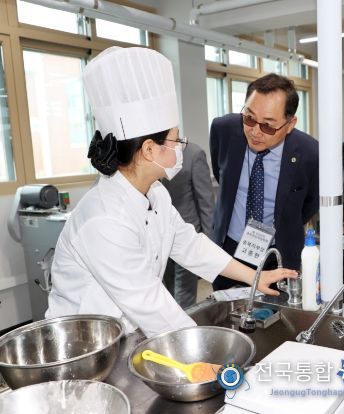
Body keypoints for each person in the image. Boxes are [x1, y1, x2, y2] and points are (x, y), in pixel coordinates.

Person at [46, 47, 295, 338]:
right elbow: (150, 303)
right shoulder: (104, 220)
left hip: (126, 334)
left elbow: (190, 245)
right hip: (85, 345)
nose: (181, 148)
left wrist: (254, 277)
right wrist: (202, 347)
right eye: (176, 141)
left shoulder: (155, 194)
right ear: (149, 149)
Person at [210, 73, 319, 291]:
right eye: (249, 118)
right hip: (229, 249)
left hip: (278, 253)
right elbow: (221, 174)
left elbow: (309, 203)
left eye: (268, 126)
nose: (255, 131)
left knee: (276, 310)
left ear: (290, 124)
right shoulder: (224, 130)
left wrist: (286, 223)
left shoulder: (310, 153)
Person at [161, 142, 214, 309]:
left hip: (189, 235)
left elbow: (206, 201)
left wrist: (208, 242)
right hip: (162, 235)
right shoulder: (154, 151)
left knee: (184, 296)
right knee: (167, 294)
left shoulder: (194, 154)